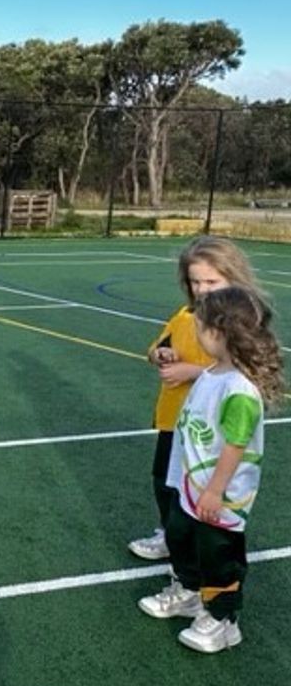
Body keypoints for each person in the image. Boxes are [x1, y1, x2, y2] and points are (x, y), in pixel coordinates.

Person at [137, 286, 283, 653]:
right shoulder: (211, 373)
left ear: (220, 333)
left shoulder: (239, 390)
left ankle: (222, 619)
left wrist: (215, 491)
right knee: (181, 537)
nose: (196, 331)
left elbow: (235, 446)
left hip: (219, 495)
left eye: (200, 326)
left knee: (218, 553)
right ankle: (189, 592)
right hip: (191, 486)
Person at [128, 236, 263, 560]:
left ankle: (198, 555)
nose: (202, 289)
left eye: (211, 282)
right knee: (165, 481)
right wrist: (160, 354)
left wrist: (191, 371)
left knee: (199, 488)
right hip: (174, 417)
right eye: (195, 281)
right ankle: (169, 535)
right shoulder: (186, 314)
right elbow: (157, 346)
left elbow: (244, 371)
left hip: (209, 429)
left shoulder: (239, 322)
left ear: (233, 279)